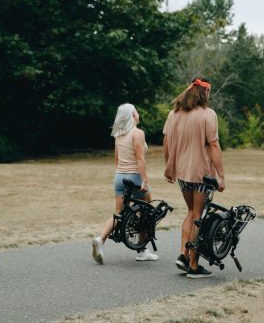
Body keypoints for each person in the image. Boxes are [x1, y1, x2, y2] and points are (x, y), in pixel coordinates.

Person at [163, 76, 224, 279]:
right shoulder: (208, 114)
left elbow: (166, 142)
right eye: (209, 91)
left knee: (191, 211)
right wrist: (221, 176)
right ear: (204, 92)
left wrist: (169, 167)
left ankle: (183, 254)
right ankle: (194, 265)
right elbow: (214, 146)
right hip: (202, 174)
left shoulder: (174, 113)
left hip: (182, 173)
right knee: (199, 216)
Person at [91, 103, 157, 264]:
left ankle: (101, 240)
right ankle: (142, 250)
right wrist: (145, 180)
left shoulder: (118, 134)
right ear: (133, 114)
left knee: (119, 212)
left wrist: (121, 174)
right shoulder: (137, 133)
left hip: (119, 176)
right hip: (134, 176)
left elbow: (117, 158)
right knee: (148, 212)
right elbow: (140, 159)